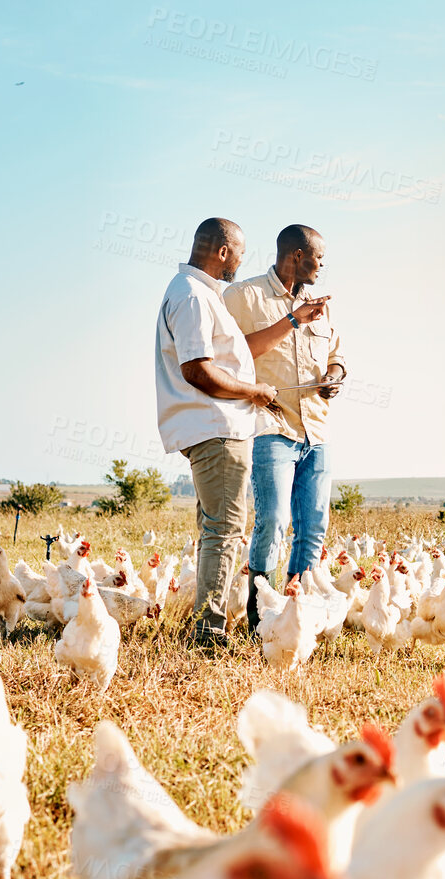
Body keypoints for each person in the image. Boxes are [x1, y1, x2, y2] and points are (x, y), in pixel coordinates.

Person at [153, 217, 327, 647]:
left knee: (217, 528)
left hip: (214, 426)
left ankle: (208, 625)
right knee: (226, 530)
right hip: (217, 426)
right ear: (223, 252)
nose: (242, 263)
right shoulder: (194, 296)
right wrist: (255, 390)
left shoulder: (195, 294)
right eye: (241, 254)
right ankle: (209, 633)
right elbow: (197, 370)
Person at [224, 224, 346, 636]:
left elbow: (337, 353)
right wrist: (293, 319)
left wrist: (334, 374)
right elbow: (233, 355)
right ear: (296, 255)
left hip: (317, 430)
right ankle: (261, 617)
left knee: (313, 527)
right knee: (273, 521)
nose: (323, 265)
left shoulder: (322, 304)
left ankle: (300, 617)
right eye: (318, 257)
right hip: (270, 428)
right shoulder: (244, 296)